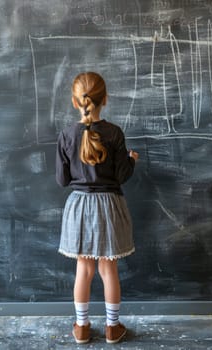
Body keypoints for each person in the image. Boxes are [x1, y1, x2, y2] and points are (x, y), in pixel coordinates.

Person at [56, 72, 139, 344]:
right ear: (105, 99)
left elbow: (62, 180)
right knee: (108, 270)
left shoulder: (67, 135)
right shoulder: (114, 133)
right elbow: (121, 175)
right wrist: (131, 160)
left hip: (79, 207)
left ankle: (81, 327)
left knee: (84, 270)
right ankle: (112, 328)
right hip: (109, 206)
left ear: (75, 101)